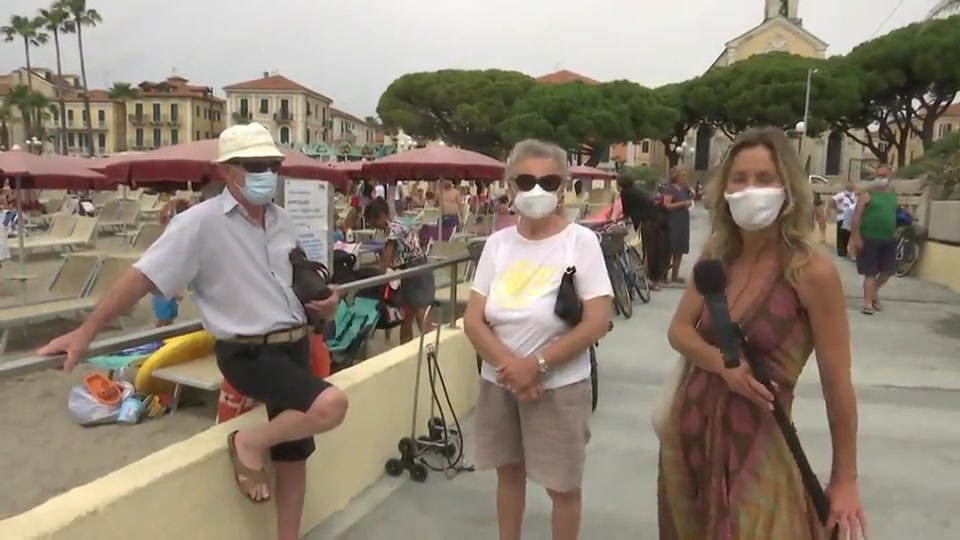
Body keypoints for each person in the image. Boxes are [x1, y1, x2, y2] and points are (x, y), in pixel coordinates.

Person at [38, 123, 349, 540]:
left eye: (273, 164)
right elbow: (142, 277)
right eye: (256, 165)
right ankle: (248, 443)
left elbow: (293, 277)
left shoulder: (282, 221)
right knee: (331, 405)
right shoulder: (199, 224)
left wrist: (325, 302)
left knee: (293, 457)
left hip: (293, 343)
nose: (268, 174)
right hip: (248, 353)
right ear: (227, 171)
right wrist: (85, 332)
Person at [660, 126, 866, 539]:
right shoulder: (717, 257)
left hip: (760, 445)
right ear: (724, 188)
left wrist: (845, 478)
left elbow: (837, 384)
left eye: (765, 178)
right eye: (739, 178)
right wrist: (723, 366)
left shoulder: (812, 271)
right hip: (691, 442)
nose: (750, 188)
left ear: (787, 187)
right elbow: (679, 331)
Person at [464, 139, 613, 540]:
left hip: (560, 386)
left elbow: (598, 319)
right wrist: (512, 369)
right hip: (501, 383)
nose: (536, 190)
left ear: (563, 186)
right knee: (508, 474)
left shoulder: (580, 242)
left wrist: (537, 366)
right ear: (509, 185)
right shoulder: (497, 245)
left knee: (561, 486)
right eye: (526, 180)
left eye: (548, 181)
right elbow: (474, 320)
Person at [363, 197, 436, 344]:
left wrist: (368, 273)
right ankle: (408, 350)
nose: (374, 226)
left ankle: (430, 350)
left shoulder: (393, 230)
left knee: (420, 317)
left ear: (383, 216)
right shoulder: (399, 223)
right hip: (419, 269)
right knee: (408, 317)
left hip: (414, 272)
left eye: (374, 222)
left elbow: (386, 261)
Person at [848, 165, 897, 315]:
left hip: (888, 238)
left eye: (883, 176)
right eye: (878, 176)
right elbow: (856, 216)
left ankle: (873, 292)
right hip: (869, 238)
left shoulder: (893, 195)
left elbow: (891, 214)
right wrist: (856, 237)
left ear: (890, 177)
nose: (880, 179)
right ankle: (868, 303)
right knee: (870, 273)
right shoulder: (867, 195)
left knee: (887, 272)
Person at [616, 174, 664, 290]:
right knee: (652, 250)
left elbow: (626, 211)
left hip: (647, 222)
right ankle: (652, 279)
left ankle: (649, 280)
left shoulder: (625, 193)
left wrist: (618, 220)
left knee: (648, 251)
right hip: (655, 220)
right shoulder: (636, 191)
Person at [661, 166, 693, 283]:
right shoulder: (670, 189)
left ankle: (675, 275)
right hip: (673, 220)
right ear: (676, 176)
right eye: (682, 175)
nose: (684, 177)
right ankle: (664, 275)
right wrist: (683, 203)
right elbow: (667, 205)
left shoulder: (684, 189)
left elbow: (689, 200)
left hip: (683, 220)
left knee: (680, 249)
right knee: (670, 248)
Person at [832, 181, 857, 257]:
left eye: (852, 185)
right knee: (841, 234)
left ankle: (847, 248)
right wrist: (836, 209)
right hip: (841, 217)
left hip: (851, 217)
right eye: (849, 185)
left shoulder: (855, 195)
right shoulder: (841, 195)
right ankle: (841, 250)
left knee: (848, 234)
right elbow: (832, 200)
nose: (851, 186)